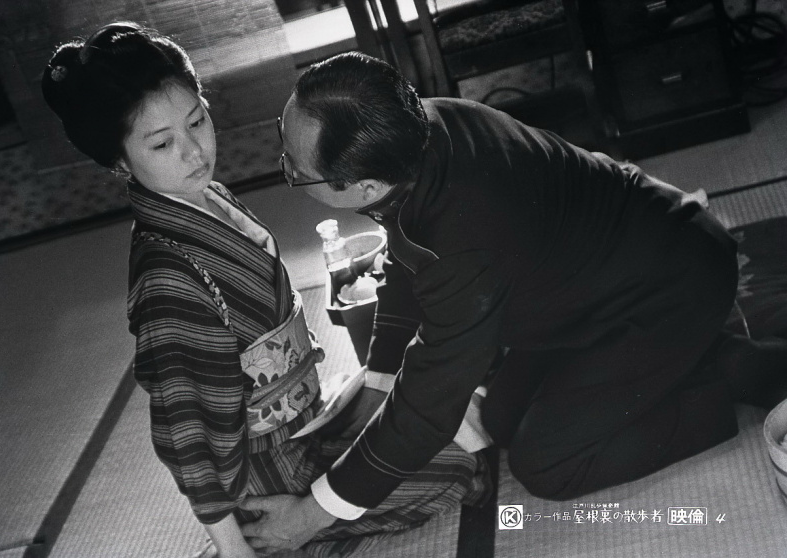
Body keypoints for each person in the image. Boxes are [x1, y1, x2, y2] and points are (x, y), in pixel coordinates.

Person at [250, 50, 787, 549]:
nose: (285, 164)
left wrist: (309, 515)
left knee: (547, 465)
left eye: (293, 169)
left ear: (365, 187)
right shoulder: (413, 132)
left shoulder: (462, 232)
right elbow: (406, 260)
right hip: (600, 280)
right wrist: (377, 383)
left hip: (668, 289)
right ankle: (696, 357)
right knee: (503, 417)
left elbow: (429, 403)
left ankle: (723, 383)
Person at [41, 24, 490, 558]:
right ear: (120, 161)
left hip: (305, 419)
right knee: (457, 469)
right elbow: (188, 437)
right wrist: (235, 547)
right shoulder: (168, 281)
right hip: (265, 468)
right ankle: (280, 528)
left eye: (197, 120)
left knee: (424, 410)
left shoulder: (211, 198)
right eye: (162, 143)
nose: (193, 152)